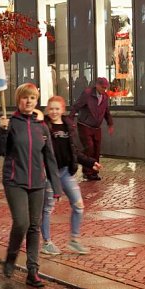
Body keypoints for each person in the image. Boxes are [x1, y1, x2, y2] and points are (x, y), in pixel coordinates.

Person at [0, 83, 62, 288]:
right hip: (15, 180)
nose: (29, 101)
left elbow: (49, 157)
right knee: (21, 223)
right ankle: (11, 257)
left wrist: (56, 186)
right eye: (25, 98)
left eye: (32, 98)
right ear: (18, 100)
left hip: (38, 182)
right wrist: (2, 131)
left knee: (35, 226)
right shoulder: (11, 123)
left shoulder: (41, 127)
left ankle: (33, 270)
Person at [41, 96, 101, 256]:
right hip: (49, 175)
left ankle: (74, 240)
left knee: (79, 205)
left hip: (66, 172)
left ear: (62, 109)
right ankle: (47, 242)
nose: (54, 111)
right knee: (47, 209)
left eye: (57, 108)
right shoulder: (43, 126)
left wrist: (90, 162)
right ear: (47, 109)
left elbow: (74, 151)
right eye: (51, 108)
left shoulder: (68, 126)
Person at [70, 77, 114, 180]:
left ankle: (94, 172)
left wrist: (110, 124)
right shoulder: (87, 93)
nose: (104, 90)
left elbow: (106, 112)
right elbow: (76, 106)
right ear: (97, 85)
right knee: (89, 147)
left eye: (106, 88)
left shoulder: (105, 97)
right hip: (84, 124)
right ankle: (87, 172)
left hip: (96, 127)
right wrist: (70, 120)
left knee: (96, 149)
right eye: (103, 87)